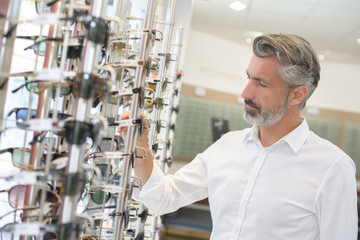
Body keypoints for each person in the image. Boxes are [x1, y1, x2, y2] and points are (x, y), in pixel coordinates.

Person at [119, 33, 358, 240]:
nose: (245, 92)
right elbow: (164, 198)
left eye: (261, 83)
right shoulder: (228, 146)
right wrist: (141, 146)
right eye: (248, 78)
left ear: (297, 95)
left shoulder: (332, 167)